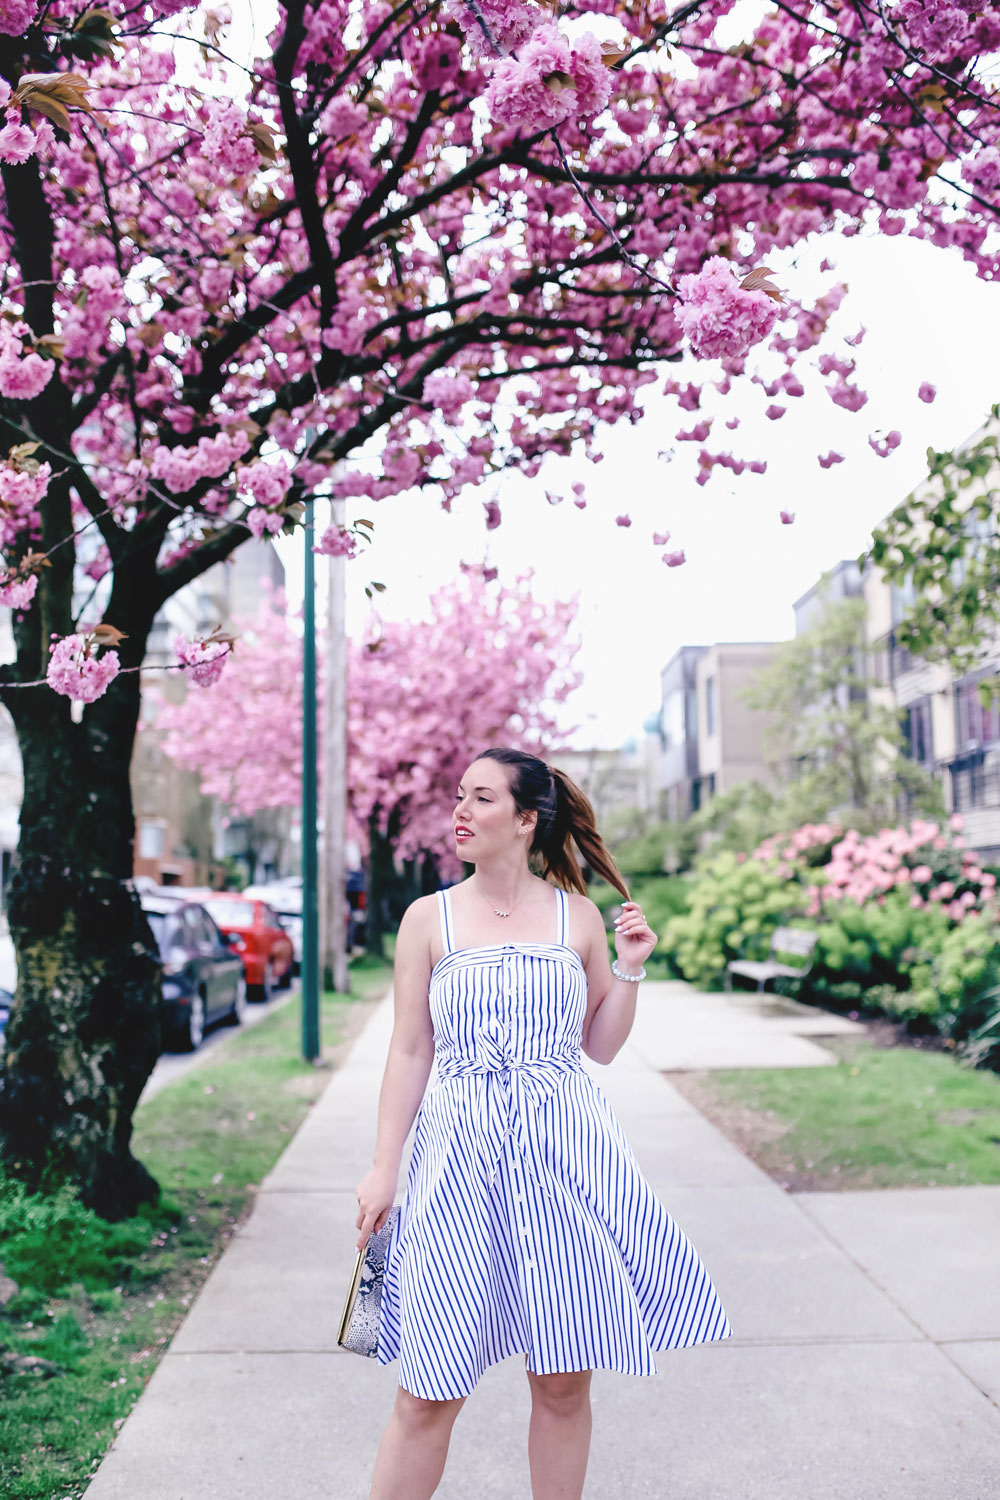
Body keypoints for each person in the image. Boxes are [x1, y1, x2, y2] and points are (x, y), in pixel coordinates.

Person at [355, 748, 731, 1500]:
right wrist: (382, 1165)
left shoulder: (578, 916)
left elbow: (601, 1046)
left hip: (565, 1160)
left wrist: (629, 967)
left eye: (481, 798)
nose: (459, 811)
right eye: (459, 795)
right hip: (457, 1161)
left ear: (526, 820)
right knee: (429, 1385)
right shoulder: (428, 919)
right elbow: (409, 1047)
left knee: (562, 1382)